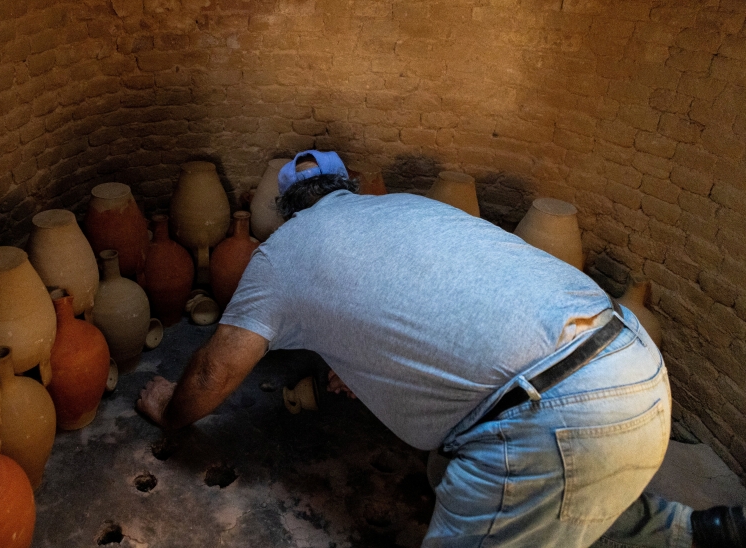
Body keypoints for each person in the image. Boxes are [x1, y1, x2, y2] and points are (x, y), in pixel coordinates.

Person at [137, 150, 745, 548]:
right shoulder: (407, 207)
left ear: (281, 208)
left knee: (516, 476)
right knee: (460, 470)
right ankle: (693, 533)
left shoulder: (285, 251)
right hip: (636, 369)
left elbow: (216, 369)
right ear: (346, 187)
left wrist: (172, 408)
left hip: (554, 421)